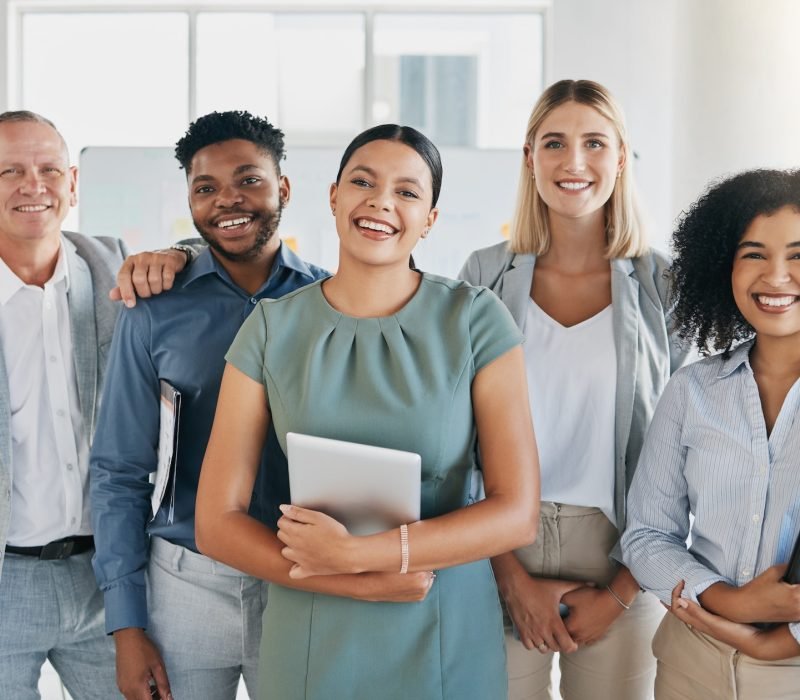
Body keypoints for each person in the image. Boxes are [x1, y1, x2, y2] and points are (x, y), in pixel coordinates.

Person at [194, 123, 539, 700]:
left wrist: (361, 555)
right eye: (363, 182)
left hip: (444, 621)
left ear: (429, 219)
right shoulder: (270, 328)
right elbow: (216, 523)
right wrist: (354, 580)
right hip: (311, 629)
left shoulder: (476, 320)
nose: (381, 201)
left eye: (407, 192)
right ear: (333, 197)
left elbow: (517, 513)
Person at [459, 79, 689, 700]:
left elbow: (682, 450)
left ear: (621, 157)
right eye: (555, 143)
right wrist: (509, 578)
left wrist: (621, 591)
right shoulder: (483, 275)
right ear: (530, 157)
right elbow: (455, 437)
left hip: (622, 552)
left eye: (595, 143)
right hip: (500, 544)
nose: (574, 162)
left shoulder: (664, 284)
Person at [89, 110, 329, 700]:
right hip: (183, 584)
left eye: (249, 180)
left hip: (301, 579)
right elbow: (118, 471)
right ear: (190, 201)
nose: (228, 200)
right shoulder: (152, 310)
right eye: (206, 188)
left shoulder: (331, 302)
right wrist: (126, 626)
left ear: (283, 188)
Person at [0, 109, 188, 699]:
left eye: (49, 169)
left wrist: (181, 253)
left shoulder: (114, 269)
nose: (33, 185)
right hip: (6, 582)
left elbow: (209, 256)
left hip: (109, 575)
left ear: (73, 182)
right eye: (9, 171)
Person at [621, 169, 800, 699]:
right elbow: (646, 535)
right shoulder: (691, 390)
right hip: (689, 663)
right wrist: (726, 600)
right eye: (753, 254)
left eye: (798, 255)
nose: (776, 276)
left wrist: (778, 638)